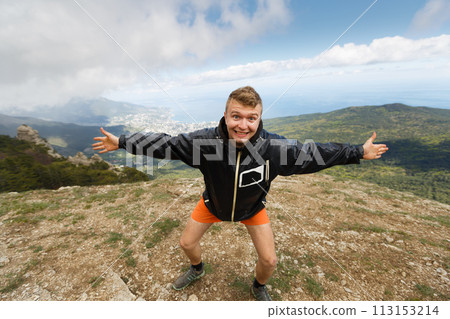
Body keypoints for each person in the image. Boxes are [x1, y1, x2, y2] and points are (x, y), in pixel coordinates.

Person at [92, 86, 388, 301]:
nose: (243, 124)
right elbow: (165, 144)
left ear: (259, 120)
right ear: (225, 115)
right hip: (213, 204)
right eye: (237, 116)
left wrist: (357, 152)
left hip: (252, 209)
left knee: (269, 261)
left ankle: (258, 287)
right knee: (186, 243)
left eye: (251, 118)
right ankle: (197, 269)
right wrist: (121, 141)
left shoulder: (274, 149)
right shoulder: (204, 143)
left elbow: (314, 153)